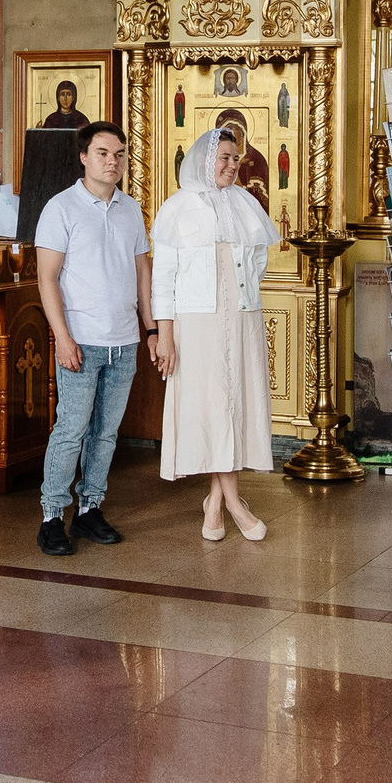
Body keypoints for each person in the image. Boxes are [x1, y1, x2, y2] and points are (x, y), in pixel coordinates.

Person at [31, 120, 154, 557]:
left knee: (106, 433)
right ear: (84, 157)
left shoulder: (131, 209)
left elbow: (143, 273)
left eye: (119, 154)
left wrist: (151, 329)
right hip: (80, 339)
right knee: (71, 429)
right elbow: (47, 279)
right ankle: (52, 516)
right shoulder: (60, 208)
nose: (112, 161)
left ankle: (90, 507)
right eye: (103, 153)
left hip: (124, 341)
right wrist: (62, 337)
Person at [151, 126, 275, 542]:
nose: (231, 164)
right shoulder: (177, 208)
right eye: (223, 157)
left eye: (235, 158)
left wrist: (242, 301)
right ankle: (236, 503)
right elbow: (162, 279)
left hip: (241, 318)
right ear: (205, 160)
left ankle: (217, 500)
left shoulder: (245, 203)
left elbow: (258, 263)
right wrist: (164, 334)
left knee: (236, 406)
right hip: (196, 321)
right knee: (210, 409)